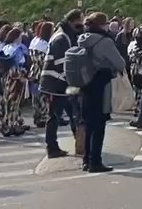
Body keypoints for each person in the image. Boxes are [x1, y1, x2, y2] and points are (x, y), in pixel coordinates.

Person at [76, 11, 127, 173]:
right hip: (101, 83)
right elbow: (119, 63)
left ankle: (86, 159)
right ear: (102, 25)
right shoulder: (105, 41)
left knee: (88, 123)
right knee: (99, 123)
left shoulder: (82, 39)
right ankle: (95, 161)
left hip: (84, 83)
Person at [39, 9, 83, 159]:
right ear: (73, 21)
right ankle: (51, 147)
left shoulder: (65, 35)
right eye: (80, 22)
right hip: (55, 83)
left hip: (62, 82)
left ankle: (81, 142)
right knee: (54, 116)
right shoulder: (61, 38)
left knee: (73, 113)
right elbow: (61, 62)